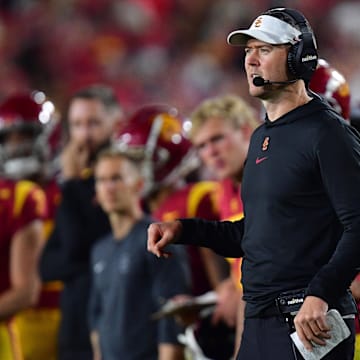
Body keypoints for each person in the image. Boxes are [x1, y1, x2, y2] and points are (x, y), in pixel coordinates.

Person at [147, 7, 360, 360]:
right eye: (248, 51)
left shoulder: (329, 134)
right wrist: (183, 229)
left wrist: (320, 294)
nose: (251, 61)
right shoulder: (262, 136)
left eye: (264, 50)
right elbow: (255, 235)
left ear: (297, 56)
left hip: (309, 320)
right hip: (260, 320)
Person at [39, 84, 124, 360]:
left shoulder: (125, 182)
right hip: (74, 323)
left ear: (116, 122)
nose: (84, 134)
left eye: (93, 123)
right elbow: (47, 265)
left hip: (115, 323)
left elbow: (77, 248)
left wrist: (73, 183)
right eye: (77, 125)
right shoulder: (72, 185)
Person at [89, 147, 190, 360]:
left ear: (139, 185)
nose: (108, 188)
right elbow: (97, 316)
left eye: (116, 178)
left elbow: (172, 317)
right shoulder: (100, 249)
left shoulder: (159, 240)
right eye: (101, 180)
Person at [189, 94, 260, 353]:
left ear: (245, 130)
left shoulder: (274, 178)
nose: (210, 152)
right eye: (202, 146)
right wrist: (228, 287)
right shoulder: (223, 190)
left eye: (217, 138)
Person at [0, 91, 63, 360]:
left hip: (64, 316)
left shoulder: (71, 194)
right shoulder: (9, 197)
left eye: (25, 136)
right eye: (9, 139)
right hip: (12, 319)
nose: (17, 147)